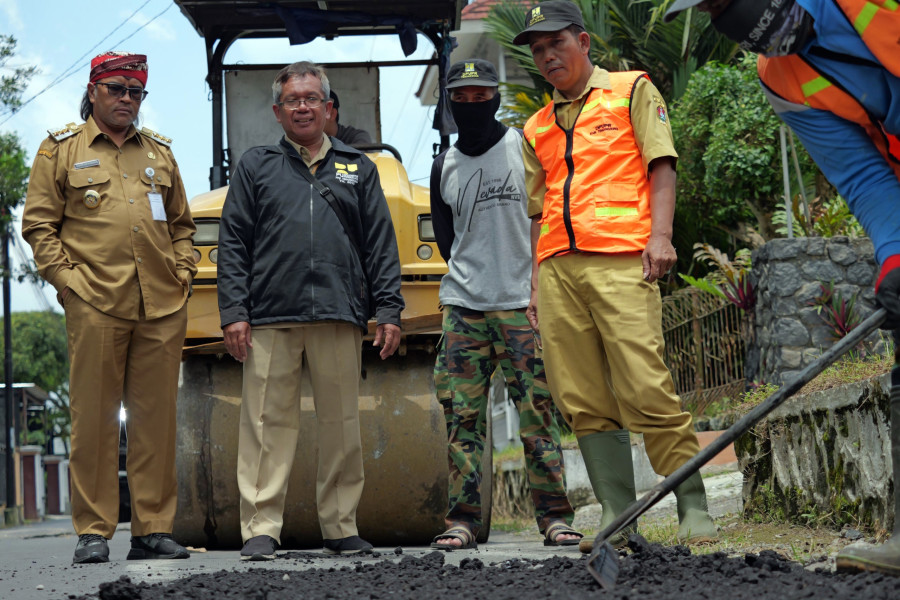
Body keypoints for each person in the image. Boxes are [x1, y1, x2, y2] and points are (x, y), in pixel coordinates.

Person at [665, 0, 900, 578]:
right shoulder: (780, 78)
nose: (728, 18)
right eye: (713, 9)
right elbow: (864, 174)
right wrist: (895, 256)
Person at [511, 0, 719, 553]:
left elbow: (661, 164)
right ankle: (616, 512)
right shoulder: (534, 127)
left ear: (583, 41)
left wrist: (661, 235)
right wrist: (534, 283)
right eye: (537, 49)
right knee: (579, 394)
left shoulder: (631, 90)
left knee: (643, 382)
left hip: (625, 257)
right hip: (557, 269)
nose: (547, 55)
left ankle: (691, 502)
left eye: (556, 42)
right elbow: (537, 212)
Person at [217, 61, 404, 561]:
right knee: (264, 423)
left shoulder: (358, 168)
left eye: (311, 98)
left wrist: (389, 310)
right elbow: (233, 242)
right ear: (278, 112)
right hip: (270, 315)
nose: (303, 106)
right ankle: (260, 527)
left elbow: (380, 246)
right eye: (293, 100)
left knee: (342, 423)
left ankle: (341, 525)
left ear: (327, 108)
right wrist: (234, 311)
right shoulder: (255, 166)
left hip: (340, 314)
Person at [22, 52, 195, 564]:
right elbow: (38, 225)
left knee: (157, 421)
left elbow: (183, 224)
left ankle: (153, 530)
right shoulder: (60, 150)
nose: (127, 100)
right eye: (117, 89)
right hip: (95, 301)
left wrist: (183, 273)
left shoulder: (159, 153)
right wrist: (68, 284)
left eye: (136, 92)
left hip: (162, 304)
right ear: (94, 90)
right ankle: (94, 532)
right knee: (94, 420)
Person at [428, 58, 582, 550]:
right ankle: (464, 521)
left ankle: (555, 518)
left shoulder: (524, 146)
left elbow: (549, 215)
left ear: (493, 97)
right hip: (464, 309)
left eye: (481, 96)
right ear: (449, 103)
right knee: (463, 422)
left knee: (538, 417)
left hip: (523, 305)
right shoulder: (443, 166)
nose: (472, 105)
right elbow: (449, 241)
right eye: (461, 98)